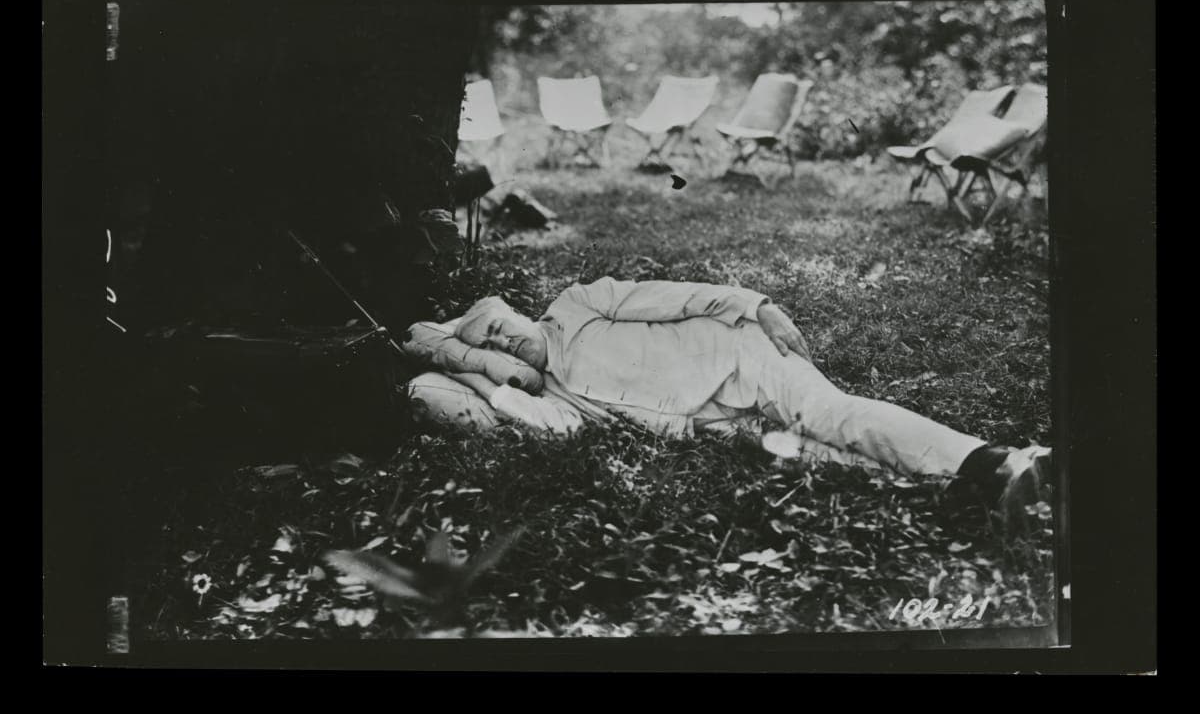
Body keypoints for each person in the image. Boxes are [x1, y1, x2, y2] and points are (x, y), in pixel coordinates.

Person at [407, 278, 1051, 520]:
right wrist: (467, 365)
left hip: (736, 354)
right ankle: (961, 492)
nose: (504, 341)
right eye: (490, 343)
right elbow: (548, 431)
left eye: (499, 325)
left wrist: (758, 307)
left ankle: (993, 460)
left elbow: (678, 294)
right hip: (710, 423)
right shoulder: (554, 397)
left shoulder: (574, 306)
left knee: (827, 413)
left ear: (518, 314)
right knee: (806, 456)